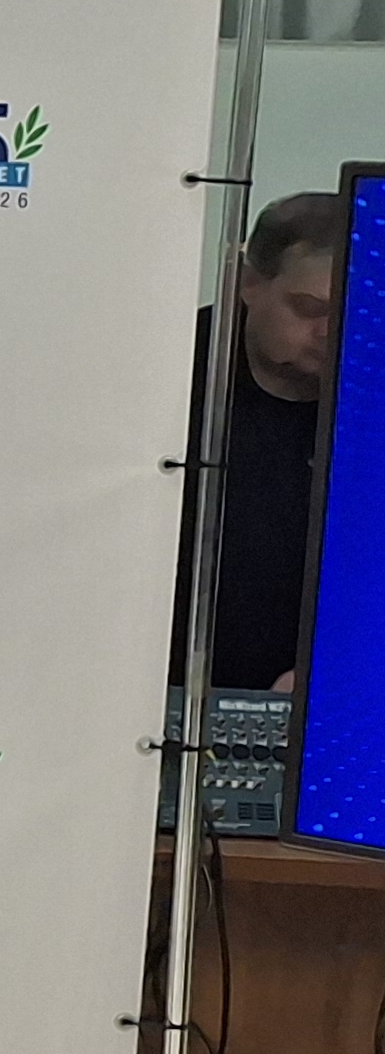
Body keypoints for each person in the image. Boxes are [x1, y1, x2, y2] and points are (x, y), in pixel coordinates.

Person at [177, 188, 348, 689]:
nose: (331, 332)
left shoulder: (369, 396)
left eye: (353, 311)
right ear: (248, 283)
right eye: (310, 308)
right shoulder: (162, 371)